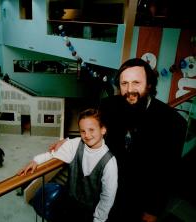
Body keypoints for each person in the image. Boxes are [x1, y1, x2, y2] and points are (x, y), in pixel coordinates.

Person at [50, 58, 187, 222]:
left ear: (149, 84)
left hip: (137, 201)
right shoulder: (108, 105)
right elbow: (95, 131)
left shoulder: (173, 123)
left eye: (136, 82)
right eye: (124, 83)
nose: (130, 90)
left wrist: (152, 212)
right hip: (102, 192)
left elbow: (166, 173)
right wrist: (69, 142)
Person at [18, 108, 118, 222]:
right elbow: (52, 154)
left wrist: (99, 219)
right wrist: (36, 161)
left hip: (89, 213)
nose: (87, 135)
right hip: (68, 205)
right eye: (83, 131)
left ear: (103, 130)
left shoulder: (109, 162)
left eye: (91, 130)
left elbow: (107, 197)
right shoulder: (76, 144)